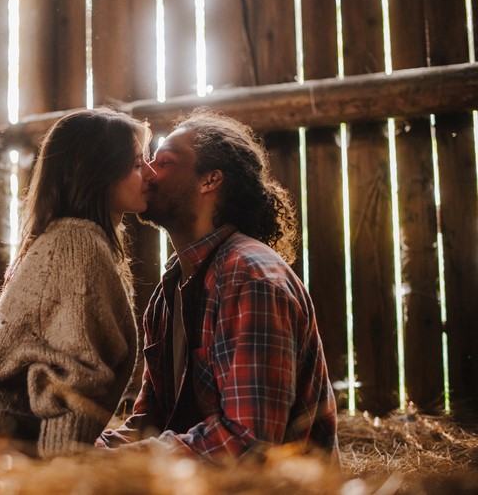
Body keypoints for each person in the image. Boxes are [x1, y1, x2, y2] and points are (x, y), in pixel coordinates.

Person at [0, 107, 156, 458]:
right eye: (136, 165)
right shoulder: (78, 245)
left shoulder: (73, 240)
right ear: (98, 174)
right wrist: (61, 472)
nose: (150, 173)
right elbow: (71, 377)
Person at [97, 109, 338, 461]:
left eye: (164, 161)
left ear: (209, 180)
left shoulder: (250, 278)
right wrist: (86, 450)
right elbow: (153, 423)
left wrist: (112, 463)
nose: (146, 172)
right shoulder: (170, 291)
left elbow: (250, 442)